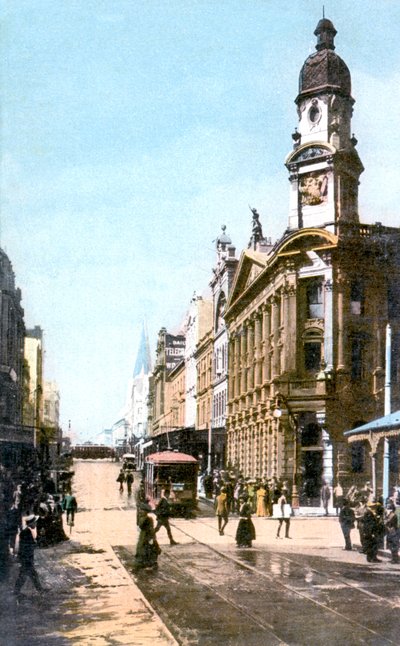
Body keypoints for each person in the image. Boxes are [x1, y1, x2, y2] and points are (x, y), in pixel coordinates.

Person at [14, 515, 47, 597]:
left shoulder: (27, 531)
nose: (35, 523)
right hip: (26, 557)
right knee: (24, 575)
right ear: (31, 523)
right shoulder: (26, 532)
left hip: (26, 557)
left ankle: (40, 590)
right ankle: (16, 591)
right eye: (34, 522)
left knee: (31, 574)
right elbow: (27, 546)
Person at [135, 503, 161, 569]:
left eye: (142, 510)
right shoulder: (142, 518)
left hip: (147, 536)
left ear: (146, 512)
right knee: (143, 549)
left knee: (149, 549)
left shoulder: (148, 519)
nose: (140, 511)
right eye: (140, 510)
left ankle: (151, 563)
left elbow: (151, 529)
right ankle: (144, 562)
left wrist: (152, 538)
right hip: (143, 536)